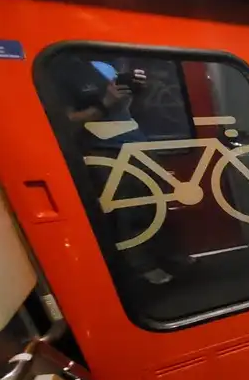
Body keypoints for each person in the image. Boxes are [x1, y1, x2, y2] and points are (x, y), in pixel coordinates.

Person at [54, 57, 174, 285]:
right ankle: (142, 266)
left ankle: (167, 254)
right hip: (105, 148)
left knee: (159, 201)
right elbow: (64, 120)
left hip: (135, 139)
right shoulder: (61, 68)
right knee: (128, 209)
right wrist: (104, 103)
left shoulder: (106, 65)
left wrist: (139, 93)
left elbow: (134, 110)